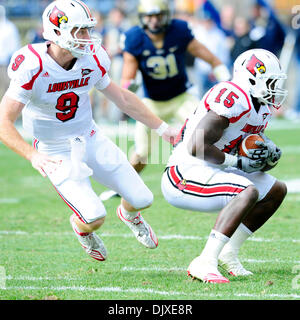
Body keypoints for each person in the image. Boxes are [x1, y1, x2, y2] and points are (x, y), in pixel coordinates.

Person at [0, 0, 178, 262]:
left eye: (87, 30)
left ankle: (129, 214)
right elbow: (3, 120)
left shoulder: (92, 58)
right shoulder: (32, 64)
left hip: (90, 137)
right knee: (93, 217)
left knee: (142, 198)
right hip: (53, 149)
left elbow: (123, 99)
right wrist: (32, 155)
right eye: (80, 31)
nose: (87, 37)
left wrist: (163, 128)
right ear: (56, 32)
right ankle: (82, 230)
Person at [161, 49, 288, 283]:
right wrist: (237, 161)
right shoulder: (233, 96)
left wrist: (266, 157)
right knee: (246, 191)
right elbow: (197, 145)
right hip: (185, 172)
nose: (274, 87)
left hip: (216, 168)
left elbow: (247, 154)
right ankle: (205, 261)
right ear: (251, 78)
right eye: (270, 81)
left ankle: (229, 252)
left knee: (275, 190)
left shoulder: (261, 106)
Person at [100, 0, 231, 201]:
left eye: (158, 16)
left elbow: (212, 59)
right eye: (149, 16)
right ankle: (122, 188)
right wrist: (129, 87)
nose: (154, 21)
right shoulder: (135, 38)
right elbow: (128, 78)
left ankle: (225, 174)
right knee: (142, 151)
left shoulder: (178, 31)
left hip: (182, 97)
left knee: (206, 133)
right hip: (152, 102)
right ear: (142, 18)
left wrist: (225, 78)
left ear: (166, 16)